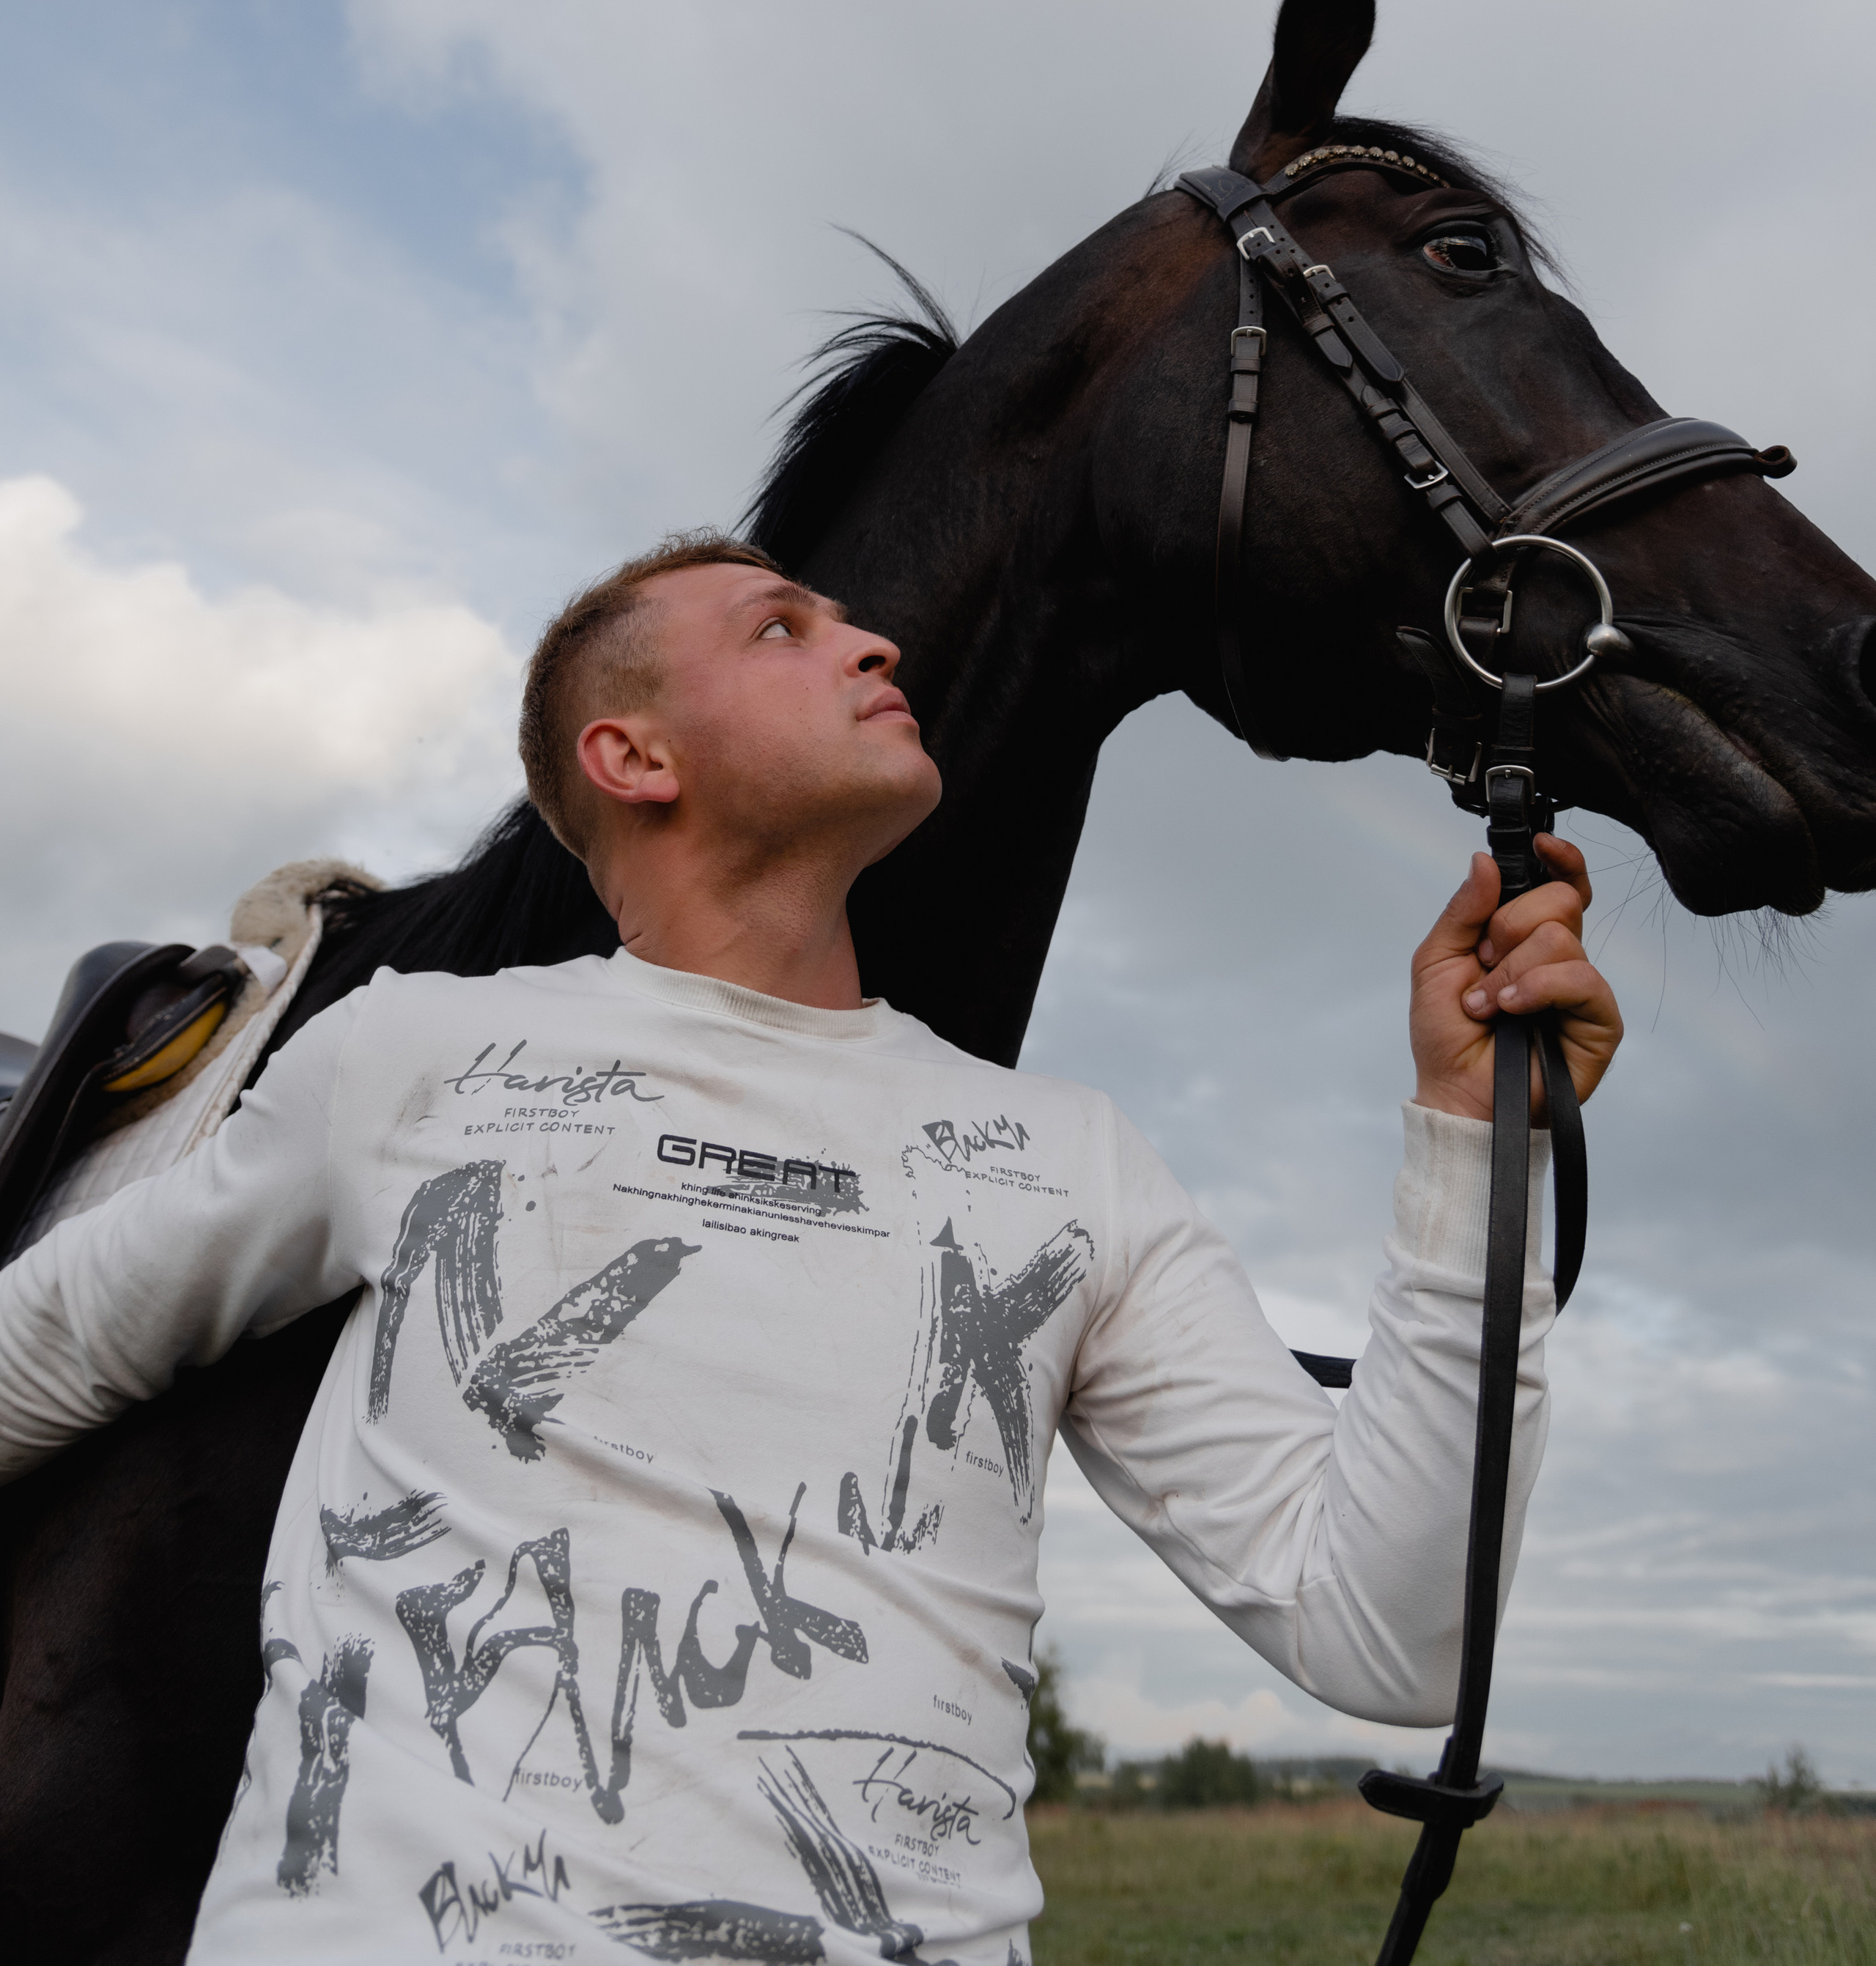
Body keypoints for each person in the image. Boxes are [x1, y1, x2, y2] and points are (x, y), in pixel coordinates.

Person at [0, 531, 1622, 1965]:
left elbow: (1389, 1634)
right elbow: (47, 1350)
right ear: (631, 756)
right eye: (779, 628)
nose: (871, 643)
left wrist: (1468, 1139)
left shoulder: (1071, 1161)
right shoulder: (410, 1057)